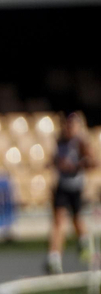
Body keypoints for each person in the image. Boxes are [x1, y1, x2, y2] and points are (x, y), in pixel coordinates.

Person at [47, 111, 95, 275]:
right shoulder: (59, 141)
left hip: (76, 187)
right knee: (59, 221)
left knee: (76, 219)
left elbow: (93, 162)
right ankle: (54, 258)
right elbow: (54, 160)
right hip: (62, 186)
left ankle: (84, 240)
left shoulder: (81, 143)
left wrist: (75, 166)